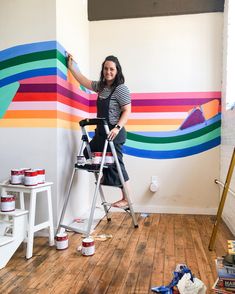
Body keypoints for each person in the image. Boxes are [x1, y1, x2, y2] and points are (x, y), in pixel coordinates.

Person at [67, 54, 132, 208]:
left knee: (117, 164)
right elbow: (83, 80)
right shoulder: (101, 87)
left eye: (111, 69)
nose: (108, 72)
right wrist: (71, 67)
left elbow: (127, 110)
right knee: (89, 153)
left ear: (117, 71)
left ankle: (127, 198)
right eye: (106, 68)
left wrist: (116, 128)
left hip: (114, 132)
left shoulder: (121, 88)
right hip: (101, 132)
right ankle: (105, 177)